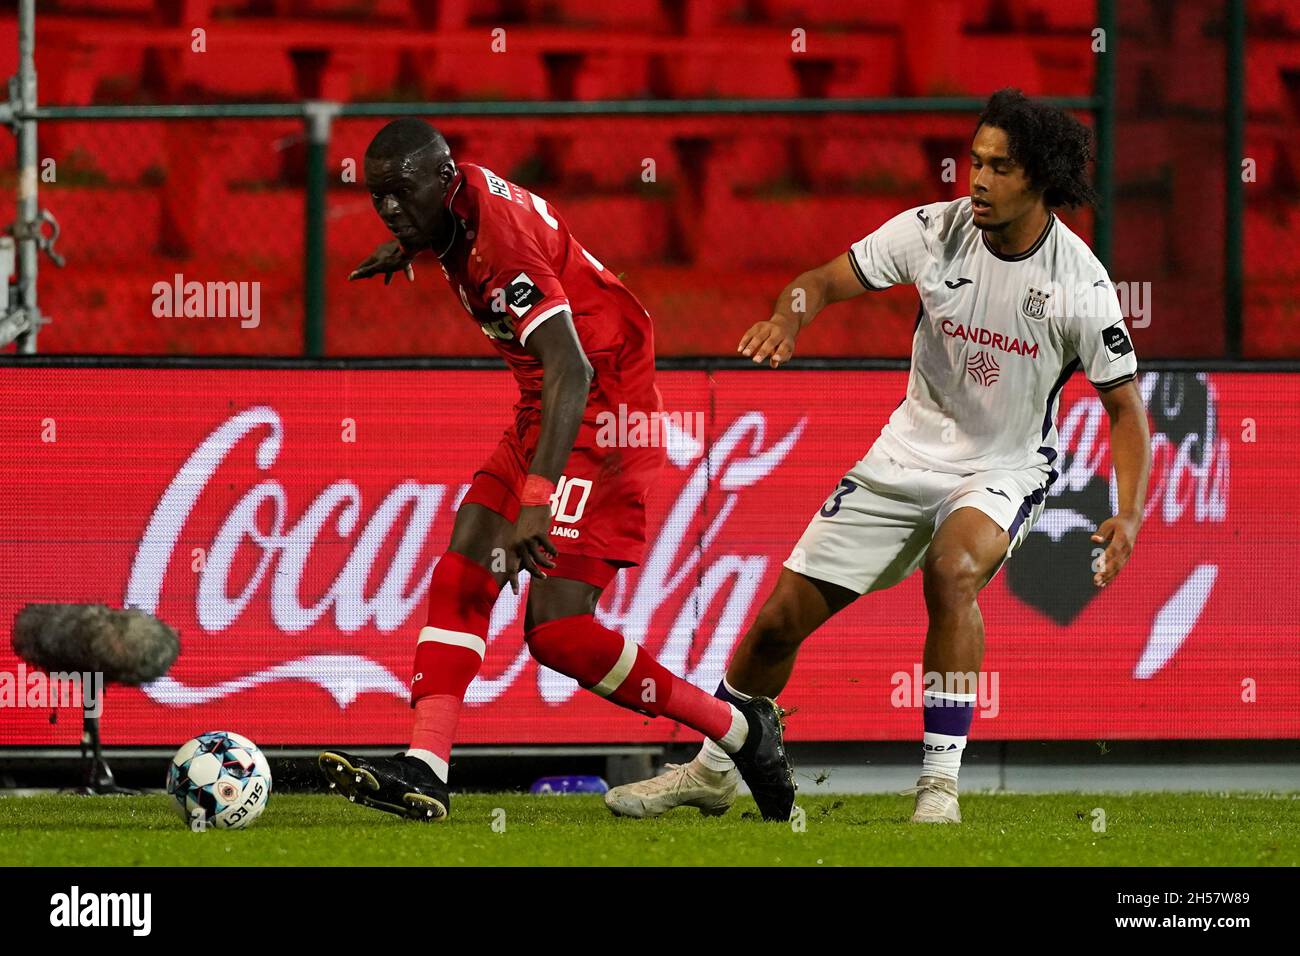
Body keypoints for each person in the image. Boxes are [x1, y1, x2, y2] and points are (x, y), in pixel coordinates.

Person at [605, 88, 1151, 824]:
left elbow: (1125, 408)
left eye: (999, 168)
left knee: (952, 571)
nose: (978, 181)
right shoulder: (934, 231)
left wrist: (1128, 514)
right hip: (903, 455)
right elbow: (822, 281)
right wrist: (786, 317)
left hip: (1003, 467)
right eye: (974, 162)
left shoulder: (1079, 283)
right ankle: (712, 768)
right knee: (775, 627)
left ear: (1040, 179)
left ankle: (939, 786)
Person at [318, 118, 794, 822]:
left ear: (442, 179)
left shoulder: (497, 246)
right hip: (546, 407)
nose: (388, 207)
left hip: (601, 414)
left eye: (401, 194)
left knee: (557, 630)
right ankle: (425, 765)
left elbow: (569, 366)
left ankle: (739, 730)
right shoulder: (457, 205)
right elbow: (544, 356)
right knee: (463, 565)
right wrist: (410, 241)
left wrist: (537, 500)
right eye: (378, 196)